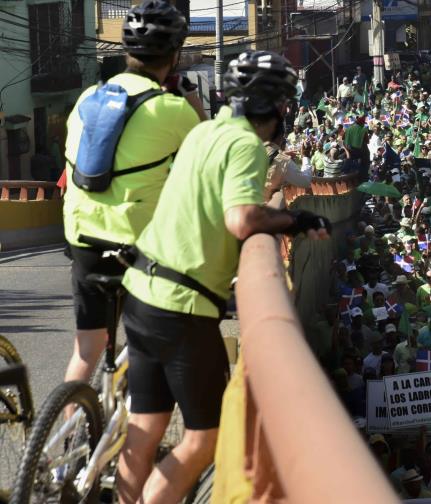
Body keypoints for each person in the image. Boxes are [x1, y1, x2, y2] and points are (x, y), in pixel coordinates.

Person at [117, 51, 330, 502]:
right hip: (182, 307)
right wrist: (292, 222)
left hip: (141, 291)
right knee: (203, 439)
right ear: (273, 106)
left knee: (146, 429)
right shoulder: (247, 147)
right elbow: (241, 219)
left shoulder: (205, 132)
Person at [61, 0, 203, 388]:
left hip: (82, 237)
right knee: (155, 345)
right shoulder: (172, 109)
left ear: (126, 52)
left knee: (86, 350)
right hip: (137, 246)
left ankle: (63, 435)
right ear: (174, 56)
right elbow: (206, 159)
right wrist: (193, 102)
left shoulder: (88, 98)